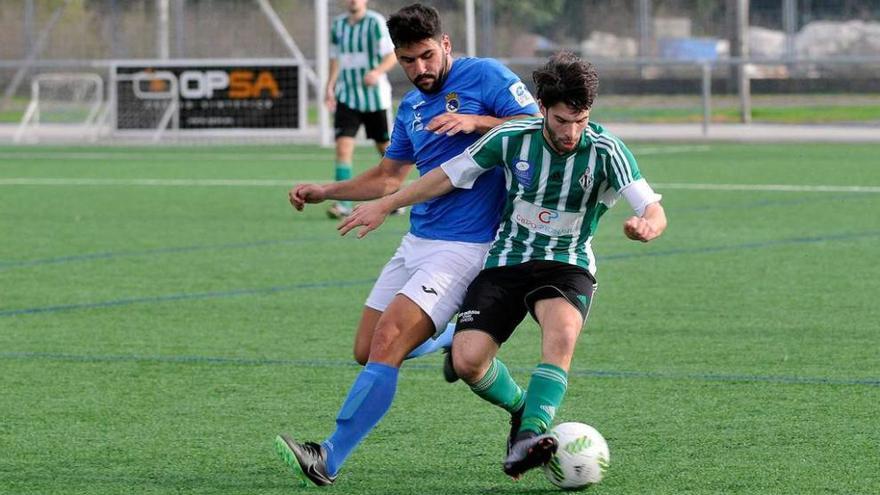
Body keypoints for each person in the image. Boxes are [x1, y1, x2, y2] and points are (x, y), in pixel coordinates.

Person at [339, 51, 668, 480]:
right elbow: (443, 176)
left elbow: (654, 208)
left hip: (565, 263)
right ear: (543, 107)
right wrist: (386, 204)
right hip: (507, 259)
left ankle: (530, 437)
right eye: (561, 121)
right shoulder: (512, 137)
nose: (571, 132)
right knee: (468, 362)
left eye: (580, 120)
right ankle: (519, 410)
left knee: (562, 332)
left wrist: (646, 226)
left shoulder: (607, 149)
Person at [276, 3, 539, 487]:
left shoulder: (486, 77)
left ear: (446, 46)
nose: (419, 70)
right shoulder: (412, 107)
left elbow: (538, 125)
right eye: (407, 61)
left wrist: (476, 124)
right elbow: (387, 177)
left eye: (425, 57)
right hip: (418, 238)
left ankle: (328, 456)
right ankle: (448, 338)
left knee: (389, 342)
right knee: (365, 350)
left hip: (467, 245)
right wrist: (326, 191)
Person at [324, 0, 397, 219]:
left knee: (386, 150)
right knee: (343, 148)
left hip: (375, 99)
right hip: (347, 96)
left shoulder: (375, 23)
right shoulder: (338, 26)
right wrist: (330, 86)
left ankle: (393, 198)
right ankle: (343, 204)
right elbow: (336, 59)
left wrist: (376, 72)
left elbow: (392, 54)